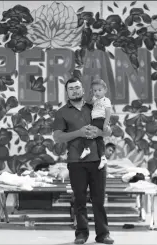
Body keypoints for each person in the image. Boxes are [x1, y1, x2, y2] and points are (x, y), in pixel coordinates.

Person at [52, 77, 114, 244]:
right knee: (79, 199)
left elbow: (108, 132)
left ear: (83, 90)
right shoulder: (62, 112)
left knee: (99, 199)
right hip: (75, 162)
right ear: (67, 92)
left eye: (77, 87)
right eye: (71, 88)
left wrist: (99, 133)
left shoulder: (95, 106)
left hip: (97, 160)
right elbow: (57, 137)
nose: (75, 90)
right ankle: (81, 234)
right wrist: (78, 133)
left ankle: (103, 234)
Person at [80, 79, 112, 170]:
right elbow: (90, 102)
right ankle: (102, 157)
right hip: (95, 120)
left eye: (99, 90)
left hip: (101, 120)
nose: (97, 92)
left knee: (87, 132)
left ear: (105, 90)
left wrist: (106, 124)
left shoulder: (106, 100)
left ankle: (86, 148)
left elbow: (108, 112)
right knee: (99, 140)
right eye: (94, 90)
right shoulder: (95, 99)